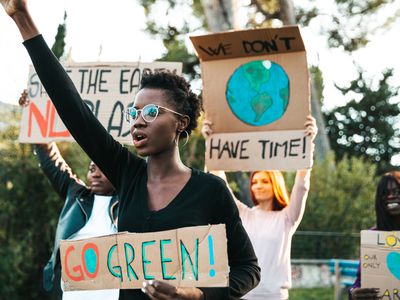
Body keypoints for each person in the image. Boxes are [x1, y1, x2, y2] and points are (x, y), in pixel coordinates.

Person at [3, 1, 261, 299]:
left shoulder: (211, 190)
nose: (138, 122)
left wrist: (195, 294)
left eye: (151, 112)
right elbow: (73, 108)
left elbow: (248, 269)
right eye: (133, 112)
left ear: (180, 123)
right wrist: (22, 18)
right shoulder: (126, 174)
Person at [202, 115, 317, 299]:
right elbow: (219, 184)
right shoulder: (243, 214)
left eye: (264, 181)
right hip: (243, 294)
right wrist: (211, 142)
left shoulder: (287, 217)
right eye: (254, 182)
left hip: (274, 295)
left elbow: (302, 186)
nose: (258, 185)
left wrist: (308, 143)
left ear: (275, 185)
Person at [19, 92, 120, 300]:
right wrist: (33, 115)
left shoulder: (131, 200)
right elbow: (51, 159)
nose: (95, 173)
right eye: (92, 167)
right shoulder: (75, 194)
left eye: (103, 168)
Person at [349, 171, 400, 300]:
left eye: (396, 192)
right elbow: (360, 281)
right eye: (385, 193)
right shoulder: (372, 237)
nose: (391, 197)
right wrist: (353, 293)